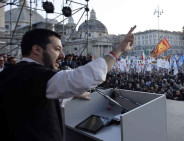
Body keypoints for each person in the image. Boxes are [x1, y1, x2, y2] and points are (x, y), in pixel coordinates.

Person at [0, 26, 136, 141]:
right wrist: (119, 50)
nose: (63, 55)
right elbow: (86, 76)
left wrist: (75, 94)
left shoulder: (10, 74)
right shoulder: (36, 75)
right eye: (57, 49)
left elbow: (37, 100)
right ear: (37, 50)